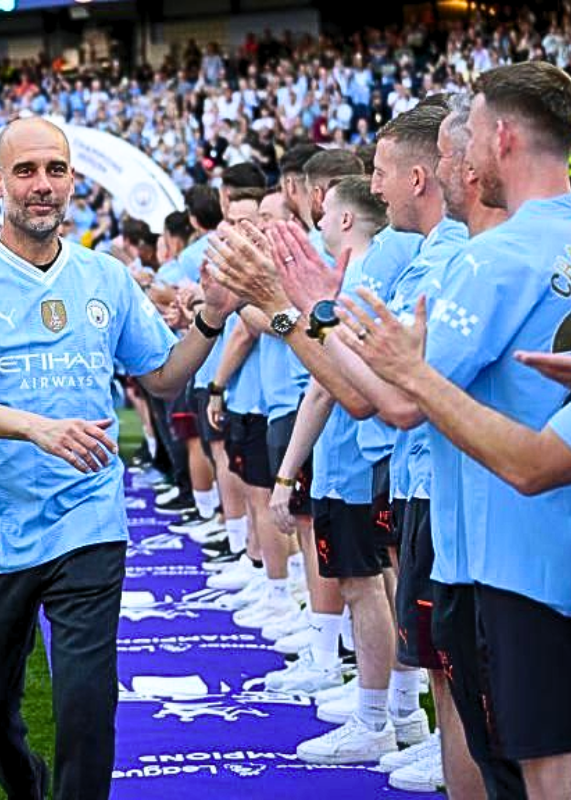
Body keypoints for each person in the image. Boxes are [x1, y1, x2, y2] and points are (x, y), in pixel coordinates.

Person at [0, 117, 237, 800]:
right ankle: (27, 784)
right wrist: (37, 429)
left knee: (87, 703)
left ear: (73, 182)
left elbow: (159, 376)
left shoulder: (105, 276)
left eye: (56, 170)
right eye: (27, 171)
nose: (43, 185)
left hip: (89, 518)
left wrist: (212, 318)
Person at [335, 63, 571, 800]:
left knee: (534, 767)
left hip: (510, 559)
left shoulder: (494, 257)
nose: (452, 163)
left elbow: (402, 400)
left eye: (460, 140)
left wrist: (301, 313)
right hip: (528, 550)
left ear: (499, 138)